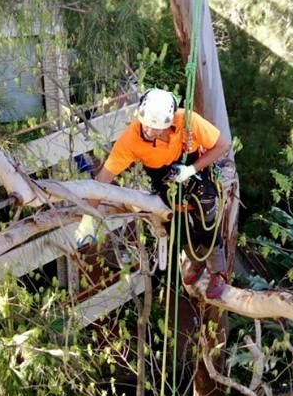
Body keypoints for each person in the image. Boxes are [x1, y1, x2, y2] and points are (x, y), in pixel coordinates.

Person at [75, 88, 230, 299]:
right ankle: (195, 259)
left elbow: (222, 145)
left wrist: (192, 169)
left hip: (193, 166)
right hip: (163, 177)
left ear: (168, 122)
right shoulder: (132, 138)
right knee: (173, 221)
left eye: (155, 128)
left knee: (205, 205)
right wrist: (88, 218)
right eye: (146, 125)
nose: (148, 131)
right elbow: (103, 179)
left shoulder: (187, 121)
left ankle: (217, 272)